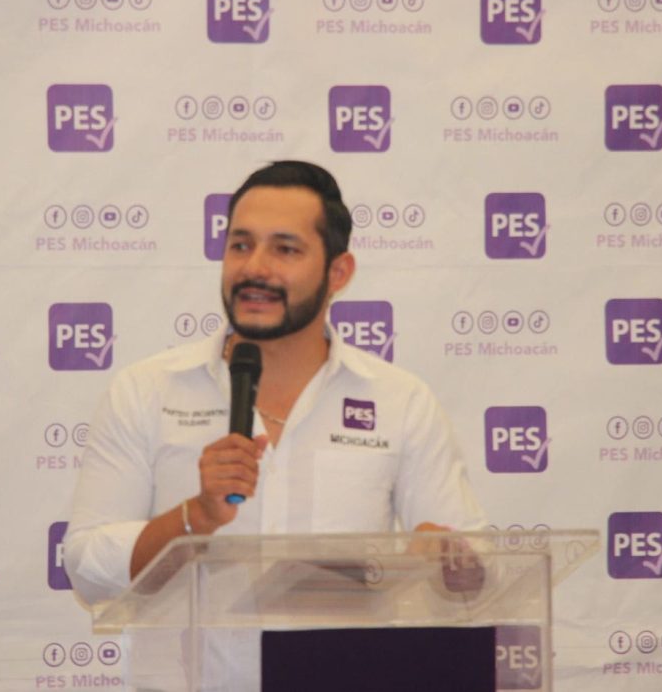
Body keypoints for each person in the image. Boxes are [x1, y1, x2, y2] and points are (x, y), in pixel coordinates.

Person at [63, 160, 486, 607]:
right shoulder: (145, 391)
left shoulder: (400, 401)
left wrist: (449, 560)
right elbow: (88, 571)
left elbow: (479, 575)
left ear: (338, 273)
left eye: (285, 250)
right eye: (240, 245)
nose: (254, 268)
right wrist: (196, 516)